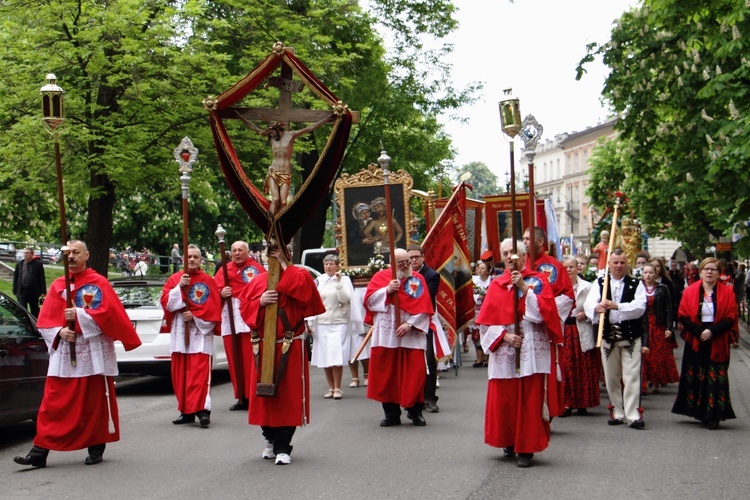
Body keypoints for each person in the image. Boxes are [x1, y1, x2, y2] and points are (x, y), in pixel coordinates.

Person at [14, 240, 141, 468]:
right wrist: (61, 331)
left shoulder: (99, 283)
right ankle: (39, 451)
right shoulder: (58, 285)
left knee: (94, 402)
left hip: (92, 352)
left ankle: (96, 445)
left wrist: (80, 316)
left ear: (86, 255)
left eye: (76, 252)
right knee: (54, 402)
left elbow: (110, 317)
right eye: (68, 253)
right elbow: (44, 322)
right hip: (65, 352)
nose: (71, 256)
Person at [476, 239, 562, 468]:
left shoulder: (539, 280)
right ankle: (509, 441)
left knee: (528, 399)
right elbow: (485, 323)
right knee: (507, 398)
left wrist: (524, 288)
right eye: (505, 253)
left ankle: (526, 449)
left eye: (514, 252)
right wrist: (504, 336)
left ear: (524, 256)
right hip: (506, 349)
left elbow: (545, 315)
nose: (509, 257)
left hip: (531, 348)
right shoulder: (496, 284)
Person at [239, 244, 324, 465]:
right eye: (272, 253)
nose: (274, 257)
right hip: (263, 346)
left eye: (279, 253)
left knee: (288, 397)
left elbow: (306, 294)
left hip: (289, 346)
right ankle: (269, 439)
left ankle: (283, 447)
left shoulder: (299, 275)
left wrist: (286, 264)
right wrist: (259, 302)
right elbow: (244, 307)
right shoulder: (258, 281)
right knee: (263, 397)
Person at [365, 248, 434, 427]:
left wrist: (409, 324)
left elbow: (425, 307)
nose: (405, 265)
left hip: (410, 332)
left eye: (407, 262)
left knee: (415, 373)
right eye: (401, 262)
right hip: (388, 335)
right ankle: (391, 413)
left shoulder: (417, 279)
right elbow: (369, 302)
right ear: (392, 263)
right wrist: (387, 290)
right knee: (388, 374)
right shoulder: (380, 277)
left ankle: (415, 411)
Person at [584, 248, 648, 429]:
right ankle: (617, 411)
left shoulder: (636, 283)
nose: (619, 266)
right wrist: (597, 308)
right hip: (608, 336)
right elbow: (589, 304)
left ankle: (633, 413)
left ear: (626, 264)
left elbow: (639, 307)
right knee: (611, 377)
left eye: (622, 262)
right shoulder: (601, 283)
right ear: (609, 264)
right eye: (615, 262)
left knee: (631, 376)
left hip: (630, 335)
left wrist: (617, 306)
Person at [672, 258, 737, 429]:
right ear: (700, 272)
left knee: (715, 377)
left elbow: (731, 317)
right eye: (706, 269)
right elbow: (683, 315)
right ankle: (699, 412)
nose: (709, 272)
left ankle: (714, 415)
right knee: (696, 376)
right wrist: (699, 332)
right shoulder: (690, 291)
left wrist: (712, 332)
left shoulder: (727, 292)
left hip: (717, 338)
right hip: (696, 338)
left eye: (713, 269)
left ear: (719, 272)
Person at [161, 244, 221, 428]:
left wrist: (195, 316)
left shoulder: (207, 280)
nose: (192, 260)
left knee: (199, 374)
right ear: (183, 260)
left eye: (196, 257)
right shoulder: (175, 279)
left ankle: (202, 410)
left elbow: (213, 308)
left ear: (201, 260)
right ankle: (186, 411)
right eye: (189, 257)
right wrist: (179, 287)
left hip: (200, 335)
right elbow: (167, 304)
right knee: (181, 374)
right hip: (180, 334)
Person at [523, 226, 575, 419]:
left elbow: (568, 297)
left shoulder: (554, 266)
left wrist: (545, 312)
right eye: (524, 239)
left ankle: (546, 411)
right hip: (523, 328)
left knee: (547, 373)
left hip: (545, 329)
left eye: (529, 239)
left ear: (540, 241)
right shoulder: (519, 265)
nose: (525, 242)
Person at [238, 113, 335, 214]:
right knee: (275, 199)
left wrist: (327, 119)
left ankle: (279, 225)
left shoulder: (291, 135)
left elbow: (310, 127)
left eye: (272, 133)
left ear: (277, 129)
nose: (271, 135)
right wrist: (239, 116)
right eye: (270, 134)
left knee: (283, 202)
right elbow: (254, 128)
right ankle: (270, 225)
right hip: (273, 172)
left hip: (285, 173)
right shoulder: (271, 138)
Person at [214, 240, 266, 411]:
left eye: (240, 250)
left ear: (248, 252)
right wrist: (221, 293)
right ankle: (241, 395)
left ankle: (253, 395)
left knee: (251, 358)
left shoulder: (256, 269)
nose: (237, 253)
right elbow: (214, 292)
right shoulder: (224, 270)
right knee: (234, 358)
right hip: (231, 318)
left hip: (249, 316)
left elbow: (263, 289)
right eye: (234, 250)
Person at [309, 254, 355, 400]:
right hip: (322, 322)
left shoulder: (344, 279)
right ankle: (330, 387)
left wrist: (339, 282)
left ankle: (338, 387)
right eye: (326, 264)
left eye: (331, 264)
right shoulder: (319, 280)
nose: (328, 266)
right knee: (325, 357)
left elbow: (345, 298)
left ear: (337, 265)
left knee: (336, 355)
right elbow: (312, 300)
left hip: (338, 322)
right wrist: (310, 322)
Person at [559, 256, 600, 416]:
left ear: (578, 268)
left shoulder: (587, 287)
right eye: (566, 267)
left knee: (582, 366)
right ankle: (567, 403)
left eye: (571, 267)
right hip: (565, 330)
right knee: (566, 367)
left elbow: (596, 307)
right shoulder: (558, 287)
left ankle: (583, 402)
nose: (569, 270)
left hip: (581, 329)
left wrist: (587, 313)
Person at [408, 244, 440, 413]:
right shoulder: (403, 275)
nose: (413, 260)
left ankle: (430, 398)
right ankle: (412, 397)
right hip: (405, 323)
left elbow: (426, 296)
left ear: (422, 257)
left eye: (416, 257)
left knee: (428, 359)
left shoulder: (432, 275)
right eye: (410, 257)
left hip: (424, 322)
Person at [640, 263, 679, 395]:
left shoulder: (662, 289)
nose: (648, 275)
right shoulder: (638, 288)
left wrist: (669, 327)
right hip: (643, 325)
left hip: (658, 325)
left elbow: (669, 309)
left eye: (651, 272)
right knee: (643, 356)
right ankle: (643, 383)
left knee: (656, 355)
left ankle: (656, 382)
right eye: (645, 272)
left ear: (656, 274)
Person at [468, 261, 492, 366]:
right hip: (476, 310)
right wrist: (478, 297)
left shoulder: (491, 281)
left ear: (487, 271)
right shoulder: (474, 280)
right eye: (479, 268)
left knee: (488, 333)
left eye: (483, 268)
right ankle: (479, 358)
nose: (480, 270)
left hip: (488, 310)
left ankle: (488, 358)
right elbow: (469, 293)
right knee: (476, 334)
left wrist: (485, 297)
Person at [13, 247, 46, 317]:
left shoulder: (38, 264)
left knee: (35, 310)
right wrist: (15, 290)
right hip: (22, 291)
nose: (25, 255)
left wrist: (43, 291)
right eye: (24, 253)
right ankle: (24, 324)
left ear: (32, 254)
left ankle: (35, 323)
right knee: (22, 309)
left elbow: (42, 278)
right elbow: (15, 278)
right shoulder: (19, 264)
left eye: (27, 253)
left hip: (33, 291)